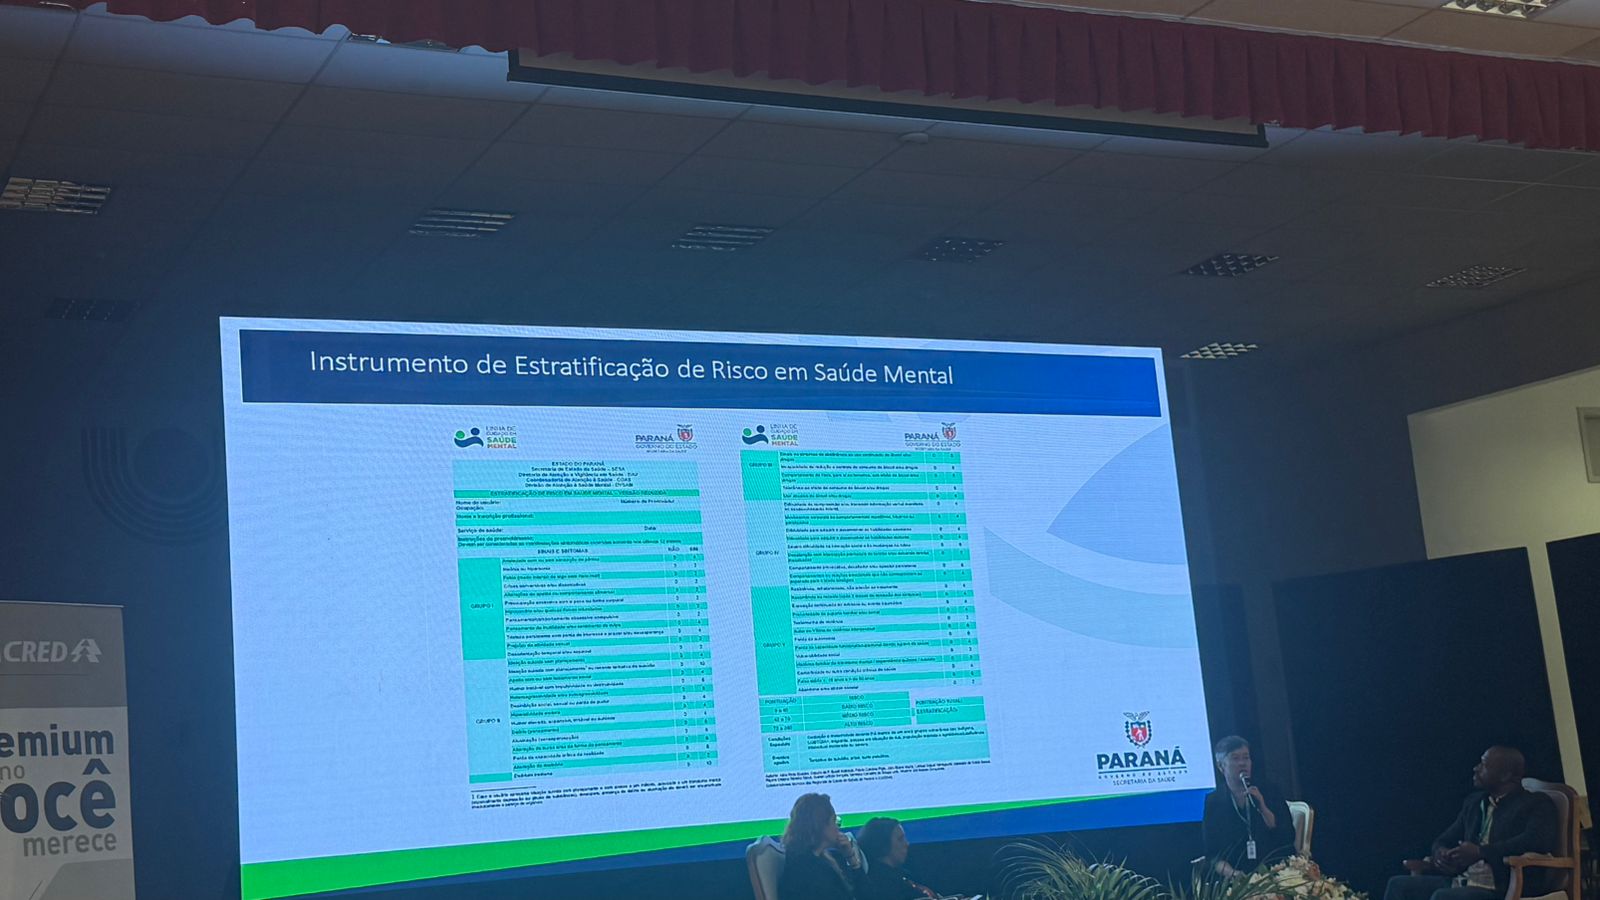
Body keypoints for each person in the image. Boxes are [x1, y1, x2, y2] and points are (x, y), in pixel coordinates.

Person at [1383, 746, 1558, 900]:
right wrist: (1441, 854)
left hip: (1502, 887)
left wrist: (1482, 852)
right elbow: (1444, 839)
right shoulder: (1475, 802)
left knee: (1444, 897)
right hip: (1464, 880)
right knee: (1398, 885)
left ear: (1505, 776)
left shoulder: (1535, 803)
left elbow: (1536, 840)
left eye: (1484, 765)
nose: (1476, 768)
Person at [1202, 735, 1297, 875]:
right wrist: (1232, 874)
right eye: (1235, 758)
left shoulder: (1269, 791)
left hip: (1274, 870)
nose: (1242, 763)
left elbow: (1287, 837)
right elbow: (1213, 854)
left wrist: (1263, 808)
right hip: (1235, 875)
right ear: (1221, 766)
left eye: (1246, 758)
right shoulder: (1214, 801)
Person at [780, 793, 864, 900]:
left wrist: (850, 857)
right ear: (821, 825)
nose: (838, 827)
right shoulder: (808, 872)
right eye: (834, 821)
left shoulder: (825, 858)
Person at [856, 817, 939, 900]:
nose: (906, 844)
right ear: (883, 845)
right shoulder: (885, 886)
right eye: (900, 839)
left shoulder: (903, 876)